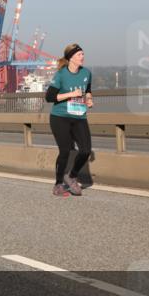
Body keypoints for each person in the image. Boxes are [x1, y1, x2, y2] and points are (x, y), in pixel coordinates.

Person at [46, 43, 94, 197]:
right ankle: (58, 184)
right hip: (60, 117)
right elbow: (49, 97)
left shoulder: (86, 73)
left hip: (79, 116)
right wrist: (70, 94)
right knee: (65, 150)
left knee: (86, 150)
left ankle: (72, 176)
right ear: (71, 57)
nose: (83, 57)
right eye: (80, 54)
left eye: (83, 54)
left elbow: (87, 91)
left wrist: (89, 99)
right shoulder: (61, 75)